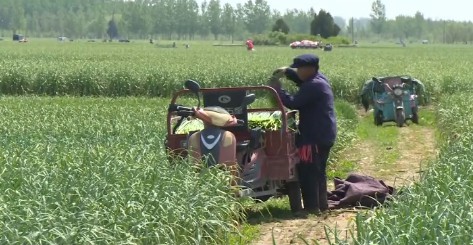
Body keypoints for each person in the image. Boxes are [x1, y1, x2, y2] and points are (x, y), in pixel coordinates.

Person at [268, 54, 337, 214]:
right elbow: (302, 82)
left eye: (299, 68)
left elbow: (293, 102)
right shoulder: (320, 80)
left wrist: (276, 89)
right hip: (324, 133)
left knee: (308, 171)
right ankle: (322, 204)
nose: (297, 71)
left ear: (309, 69)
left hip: (314, 136)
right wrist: (289, 73)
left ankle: (312, 207)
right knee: (319, 170)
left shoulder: (313, 86)